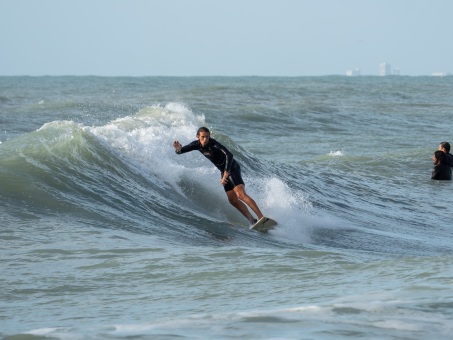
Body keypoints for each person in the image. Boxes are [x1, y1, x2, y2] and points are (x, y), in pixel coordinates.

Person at [173, 127, 263, 224]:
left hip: (232, 168)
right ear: (198, 137)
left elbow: (229, 155)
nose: (205, 139)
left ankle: (261, 218)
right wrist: (178, 150)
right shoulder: (196, 145)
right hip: (223, 171)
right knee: (233, 200)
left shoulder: (214, 144)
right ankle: (252, 220)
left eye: (207, 137)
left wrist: (226, 173)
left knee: (241, 195)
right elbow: (180, 151)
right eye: (203, 137)